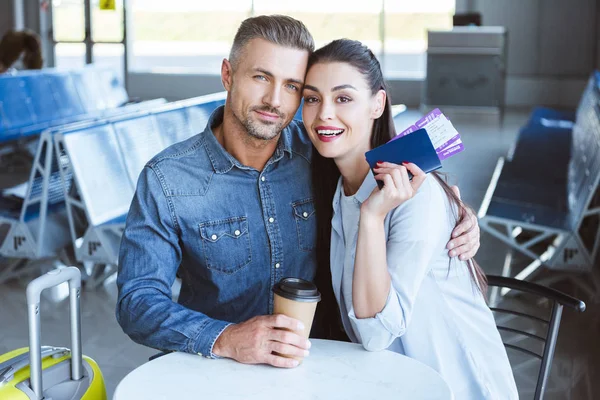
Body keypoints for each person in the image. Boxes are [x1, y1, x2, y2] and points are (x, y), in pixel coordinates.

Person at [116, 15, 481, 370]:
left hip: (321, 364)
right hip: (219, 369)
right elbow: (137, 301)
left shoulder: (319, 150)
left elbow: (395, 169)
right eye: (261, 77)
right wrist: (226, 337)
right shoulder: (167, 179)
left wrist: (451, 210)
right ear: (228, 74)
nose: (275, 100)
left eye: (292, 86)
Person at [302, 39, 518, 398]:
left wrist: (373, 218)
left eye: (343, 98)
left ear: (377, 104)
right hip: (392, 382)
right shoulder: (338, 190)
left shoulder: (418, 196)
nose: (324, 113)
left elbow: (375, 332)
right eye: (312, 98)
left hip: (456, 386)